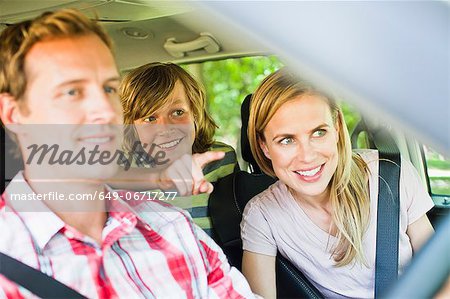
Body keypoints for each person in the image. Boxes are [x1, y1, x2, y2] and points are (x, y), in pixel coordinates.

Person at [0, 9, 255, 298]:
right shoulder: (9, 255)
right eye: (72, 92)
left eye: (109, 88)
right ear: (14, 114)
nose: (106, 111)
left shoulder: (174, 229)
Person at [241, 68, 435, 298]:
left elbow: (440, 275)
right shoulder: (262, 215)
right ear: (264, 147)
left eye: (318, 133)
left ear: (337, 129)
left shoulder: (391, 176)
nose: (307, 156)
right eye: (286, 140)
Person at [120, 62, 239, 237]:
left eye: (177, 112)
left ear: (194, 113)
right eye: (150, 118)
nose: (165, 128)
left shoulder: (222, 158)